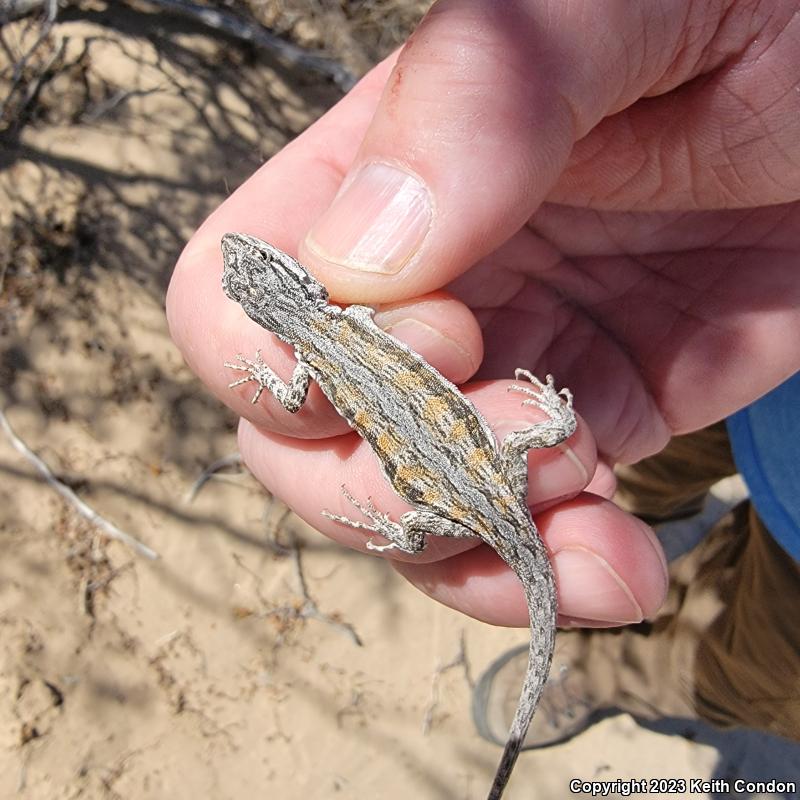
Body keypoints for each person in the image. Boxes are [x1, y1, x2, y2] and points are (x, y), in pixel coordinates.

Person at [167, 0, 800, 750]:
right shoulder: (352, 322)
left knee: (754, 651)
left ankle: (595, 613)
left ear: (291, 290)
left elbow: (296, 393)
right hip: (508, 463)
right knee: (588, 481)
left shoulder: (322, 350)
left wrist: (270, 385)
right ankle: (609, 602)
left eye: (257, 270)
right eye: (253, 276)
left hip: (475, 478)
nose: (255, 264)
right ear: (292, 284)